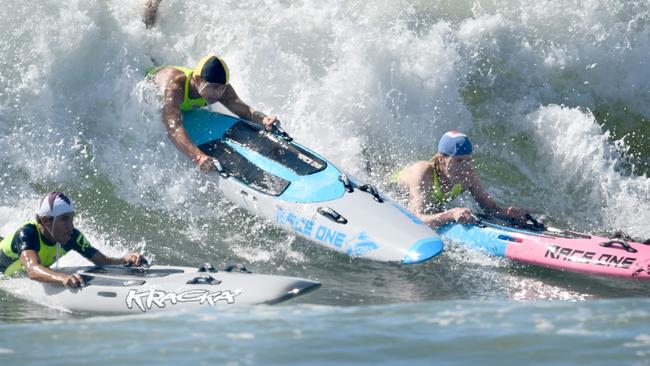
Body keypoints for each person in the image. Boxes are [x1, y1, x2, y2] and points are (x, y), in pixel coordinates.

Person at [148, 55, 280, 173]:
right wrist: (198, 157)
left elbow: (246, 111)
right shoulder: (175, 88)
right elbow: (173, 127)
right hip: (147, 92)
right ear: (198, 79)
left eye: (222, 88)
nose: (218, 93)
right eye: (213, 87)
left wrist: (264, 120)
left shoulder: (222, 89)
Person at [0, 192, 146, 288]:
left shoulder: (70, 236)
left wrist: (125, 260)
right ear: (46, 221)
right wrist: (62, 277)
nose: (71, 226)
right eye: (64, 220)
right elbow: (32, 270)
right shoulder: (27, 234)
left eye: (71, 219)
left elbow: (101, 260)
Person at [397, 131, 530, 227]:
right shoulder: (423, 172)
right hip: (389, 192)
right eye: (458, 161)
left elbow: (490, 209)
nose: (465, 167)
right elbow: (414, 217)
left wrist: (509, 213)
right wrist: (451, 214)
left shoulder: (468, 176)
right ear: (441, 159)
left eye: (468, 161)